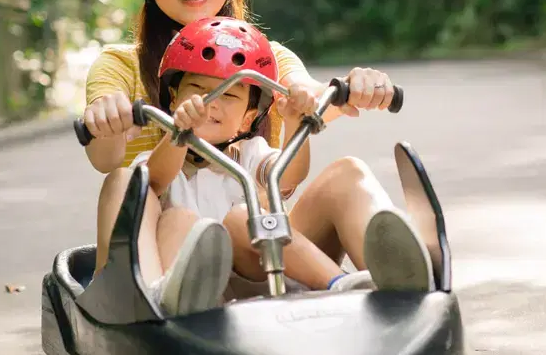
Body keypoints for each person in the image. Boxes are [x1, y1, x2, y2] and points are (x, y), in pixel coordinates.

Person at [82, 0, 436, 310]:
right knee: (123, 180)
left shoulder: (267, 60)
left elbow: (306, 99)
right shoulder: (119, 66)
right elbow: (106, 158)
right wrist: (107, 116)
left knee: (349, 174)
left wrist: (355, 87)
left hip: (261, 251)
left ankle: (398, 290)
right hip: (166, 250)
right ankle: (149, 308)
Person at [134, 16, 387, 315]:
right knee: (179, 219)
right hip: (204, 302)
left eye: (227, 94)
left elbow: (287, 175)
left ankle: (358, 282)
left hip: (266, 275)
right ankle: (184, 318)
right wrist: (179, 133)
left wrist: (294, 124)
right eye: (198, 89)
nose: (211, 101)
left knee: (344, 173)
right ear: (174, 100)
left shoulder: (250, 154)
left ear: (247, 117)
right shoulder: (156, 162)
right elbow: (155, 181)